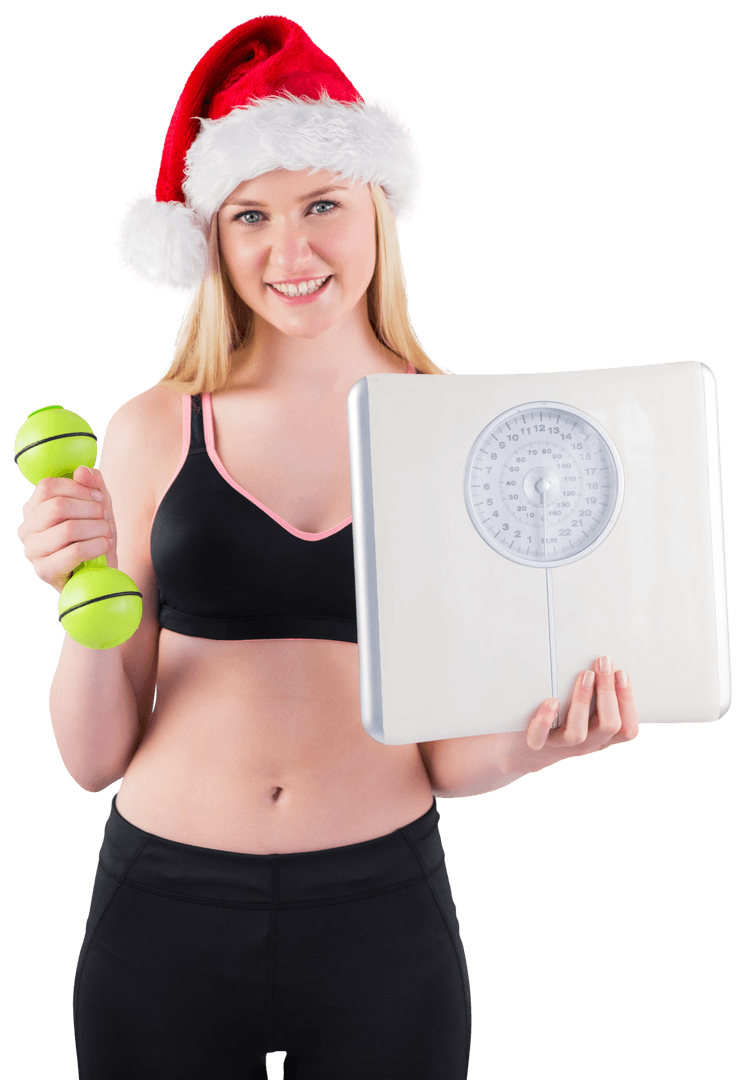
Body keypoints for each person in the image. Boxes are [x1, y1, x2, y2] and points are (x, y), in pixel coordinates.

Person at [16, 15, 639, 1080]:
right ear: (209, 237)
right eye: (249, 214)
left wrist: (541, 742)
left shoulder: (466, 435)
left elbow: (445, 761)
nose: (287, 250)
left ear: (378, 213)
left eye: (320, 205)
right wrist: (80, 593)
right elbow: (89, 759)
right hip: (162, 912)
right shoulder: (153, 428)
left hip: (380, 919)